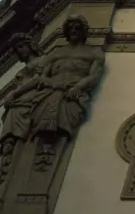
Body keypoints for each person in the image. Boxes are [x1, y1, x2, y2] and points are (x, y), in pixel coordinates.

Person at [25, 16, 105, 163]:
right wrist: (51, 83)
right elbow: (41, 76)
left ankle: (50, 152)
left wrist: (77, 87)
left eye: (77, 28)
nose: (73, 31)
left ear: (83, 31)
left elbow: (93, 76)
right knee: (43, 124)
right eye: (71, 28)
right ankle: (43, 151)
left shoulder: (94, 52)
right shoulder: (55, 53)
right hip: (50, 92)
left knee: (64, 125)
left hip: (72, 94)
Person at [0, 33, 42, 180]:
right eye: (16, 49)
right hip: (18, 101)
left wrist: (14, 94)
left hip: (29, 100)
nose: (19, 51)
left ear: (30, 45)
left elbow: (39, 79)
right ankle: (7, 151)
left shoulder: (42, 60)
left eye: (21, 46)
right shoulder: (21, 72)